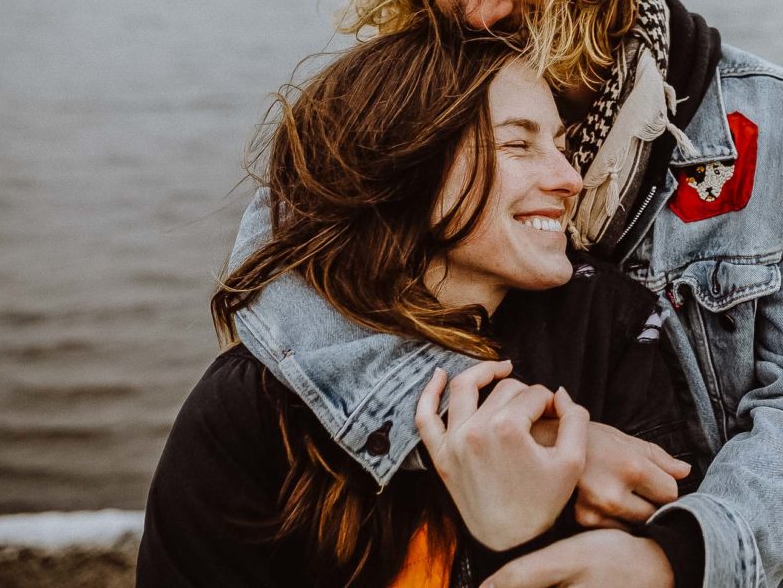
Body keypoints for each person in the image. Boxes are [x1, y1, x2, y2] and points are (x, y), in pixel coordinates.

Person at [232, 0, 783, 586]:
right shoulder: (391, 115)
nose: (475, 7)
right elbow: (277, 284)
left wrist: (675, 558)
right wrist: (543, 445)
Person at [136, 32, 700, 587]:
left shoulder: (611, 333)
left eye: (561, 144)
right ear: (405, 165)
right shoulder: (254, 407)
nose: (570, 179)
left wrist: (523, 534)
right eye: (518, 145)